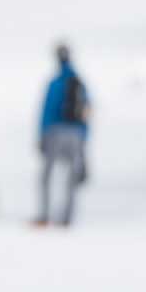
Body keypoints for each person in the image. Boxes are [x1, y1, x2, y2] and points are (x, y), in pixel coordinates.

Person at [36, 43, 89, 227]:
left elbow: (47, 110)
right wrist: (84, 141)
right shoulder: (80, 83)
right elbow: (86, 114)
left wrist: (42, 135)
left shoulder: (55, 82)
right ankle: (67, 217)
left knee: (46, 175)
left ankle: (44, 214)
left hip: (55, 132)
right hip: (76, 135)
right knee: (71, 178)